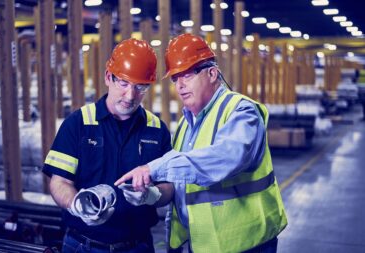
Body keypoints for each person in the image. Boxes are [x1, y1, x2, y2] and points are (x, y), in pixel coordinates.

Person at [115, 33, 288, 253]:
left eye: (187, 75)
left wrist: (154, 168)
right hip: (198, 244)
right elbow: (181, 184)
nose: (180, 85)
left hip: (245, 244)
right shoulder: (186, 125)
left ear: (212, 73)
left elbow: (227, 158)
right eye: (176, 78)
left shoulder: (242, 111)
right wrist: (150, 195)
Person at [42, 38, 173, 253]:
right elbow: (60, 182)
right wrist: (76, 204)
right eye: (123, 83)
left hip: (137, 246)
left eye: (140, 87)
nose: (130, 96)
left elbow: (169, 187)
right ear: (107, 77)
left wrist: (151, 195)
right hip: (82, 245)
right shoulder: (79, 123)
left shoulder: (157, 129)